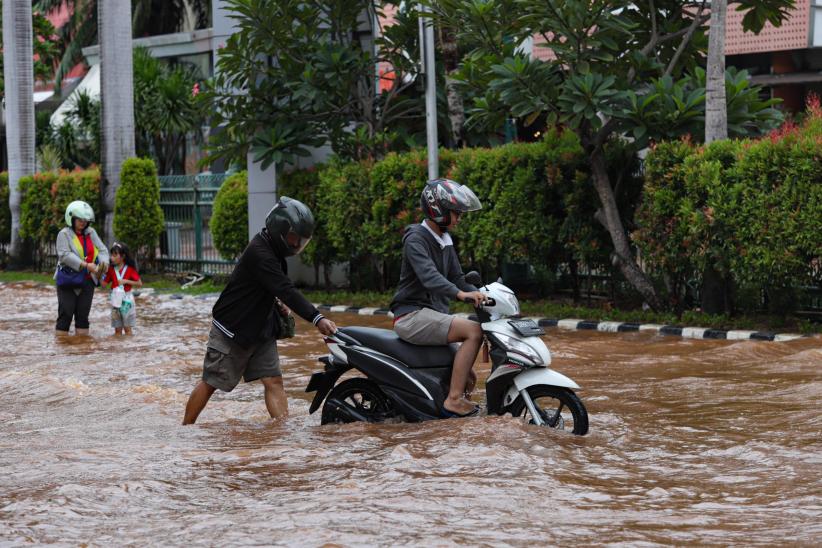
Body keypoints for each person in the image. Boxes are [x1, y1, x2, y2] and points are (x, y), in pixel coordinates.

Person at [183, 197, 338, 425]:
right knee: (211, 382)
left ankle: (282, 433)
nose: (297, 245)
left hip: (261, 329)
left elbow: (272, 288)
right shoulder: (260, 252)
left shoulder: (273, 252)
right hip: (233, 330)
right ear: (279, 229)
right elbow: (286, 289)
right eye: (294, 238)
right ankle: (185, 429)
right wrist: (316, 318)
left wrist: (277, 302)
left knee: (274, 381)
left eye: (301, 240)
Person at [390, 178, 486, 418]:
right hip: (411, 316)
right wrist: (461, 294)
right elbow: (429, 277)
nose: (459, 218)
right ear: (439, 211)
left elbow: (457, 276)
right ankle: (453, 400)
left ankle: (454, 418)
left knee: (470, 377)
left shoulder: (444, 239)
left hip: (432, 314)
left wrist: (483, 292)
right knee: (474, 332)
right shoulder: (416, 239)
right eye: (456, 213)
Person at [55, 200, 109, 336]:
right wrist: (86, 265)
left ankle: (83, 350)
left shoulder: (91, 232)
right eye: (79, 219)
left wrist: (103, 264)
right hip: (68, 280)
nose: (83, 222)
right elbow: (64, 255)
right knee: (65, 315)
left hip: (87, 280)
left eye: (85, 220)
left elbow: (102, 250)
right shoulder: (64, 234)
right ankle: (62, 348)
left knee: (83, 317)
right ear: (71, 218)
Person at [102, 242, 142, 336]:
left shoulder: (130, 269)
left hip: (127, 301)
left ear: (123, 256)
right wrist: (100, 272)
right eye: (111, 255)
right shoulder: (111, 270)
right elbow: (103, 285)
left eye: (115, 255)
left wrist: (126, 281)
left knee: (128, 329)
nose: (112, 257)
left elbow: (139, 283)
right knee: (117, 331)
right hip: (115, 302)